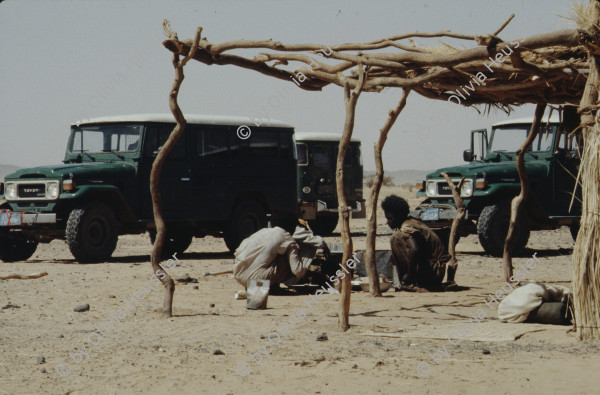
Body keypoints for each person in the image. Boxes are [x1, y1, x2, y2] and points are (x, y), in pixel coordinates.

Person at [381, 195, 450, 291]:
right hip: (435, 271)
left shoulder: (407, 227)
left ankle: (409, 281)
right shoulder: (412, 222)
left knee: (395, 238)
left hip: (433, 273)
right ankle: (405, 281)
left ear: (399, 215)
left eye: (390, 218)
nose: (388, 222)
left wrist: (409, 274)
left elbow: (415, 249)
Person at [233, 211, 311, 289]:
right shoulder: (286, 237)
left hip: (240, 277)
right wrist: (307, 266)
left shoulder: (262, 232)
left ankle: (263, 285)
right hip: (258, 281)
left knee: (273, 254)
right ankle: (271, 286)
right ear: (292, 227)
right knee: (285, 256)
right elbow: (298, 271)